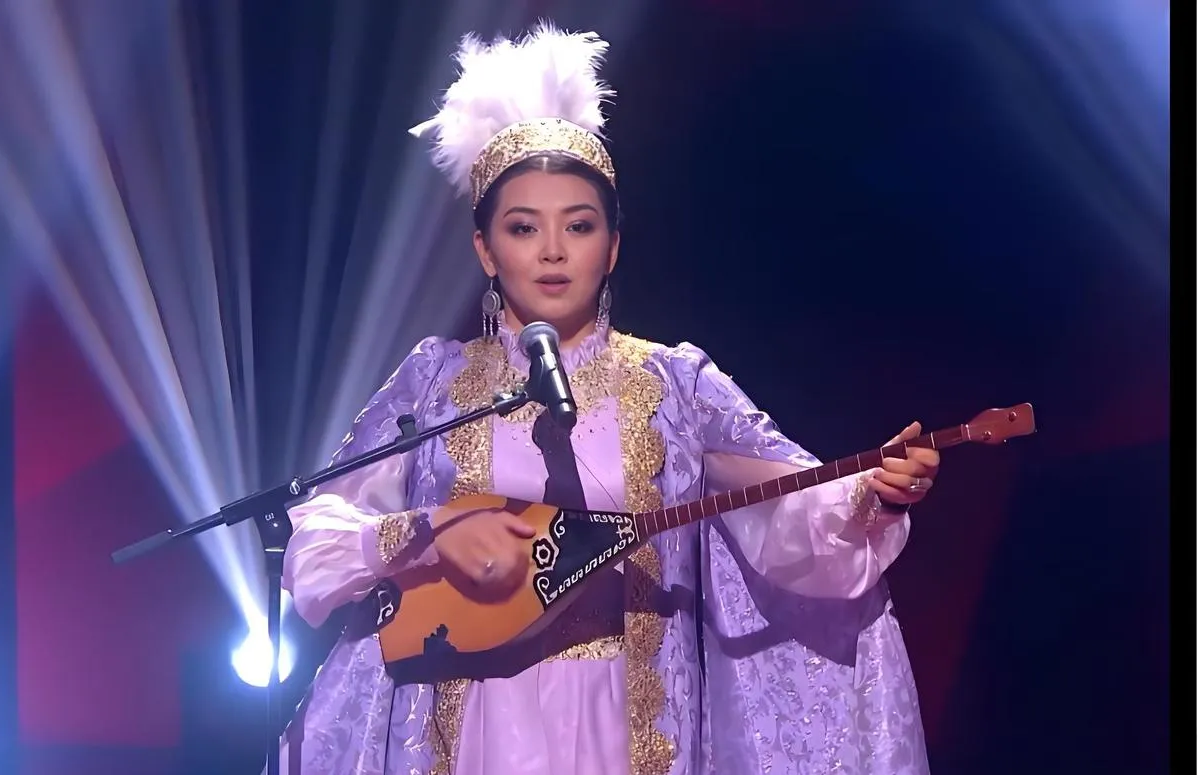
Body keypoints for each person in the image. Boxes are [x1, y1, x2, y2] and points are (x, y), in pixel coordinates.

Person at [275, 22, 939, 775]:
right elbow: (318, 533)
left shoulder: (672, 384)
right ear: (486, 250)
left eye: (579, 226)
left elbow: (788, 503)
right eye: (524, 228)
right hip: (469, 727)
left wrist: (870, 494)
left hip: (620, 719)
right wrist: (425, 532)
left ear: (612, 245)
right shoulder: (434, 384)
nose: (553, 251)